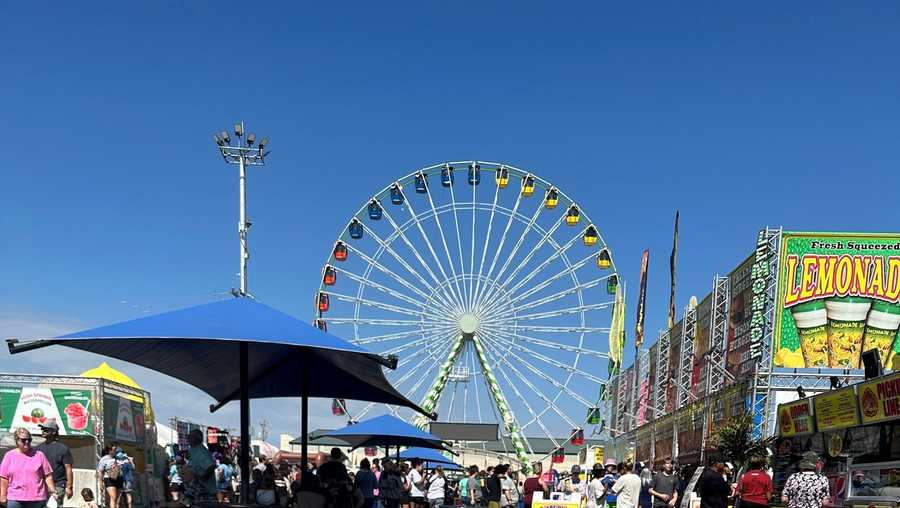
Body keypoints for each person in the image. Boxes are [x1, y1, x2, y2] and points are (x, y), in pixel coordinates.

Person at [0, 428, 56, 508]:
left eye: (29, 440)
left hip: (37, 499)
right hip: (15, 499)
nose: (27, 442)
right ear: (17, 440)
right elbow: (4, 478)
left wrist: (53, 491)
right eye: (23, 440)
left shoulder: (39, 455)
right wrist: (2, 496)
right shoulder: (9, 456)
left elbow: (48, 476)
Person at [35, 420, 73, 506]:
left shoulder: (63, 448)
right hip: (42, 485)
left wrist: (69, 487)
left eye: (46, 429)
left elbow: (68, 468)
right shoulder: (38, 448)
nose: (43, 431)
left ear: (54, 432)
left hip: (58, 484)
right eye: (42, 429)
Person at [183, 429, 218, 506]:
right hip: (195, 492)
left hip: (205, 494)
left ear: (195, 439)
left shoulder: (202, 451)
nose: (187, 438)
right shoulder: (192, 450)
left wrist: (202, 478)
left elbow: (211, 466)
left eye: (189, 436)